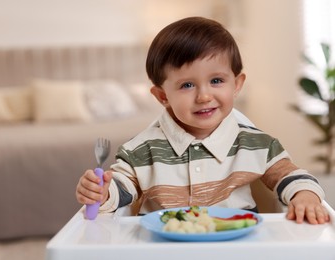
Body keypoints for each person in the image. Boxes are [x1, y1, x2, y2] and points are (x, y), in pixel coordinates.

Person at [76, 17, 329, 224]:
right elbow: (120, 189)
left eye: (217, 80)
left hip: (238, 244)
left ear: (236, 84)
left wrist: (304, 195)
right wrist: (101, 192)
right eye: (187, 85)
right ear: (163, 96)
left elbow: (290, 175)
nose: (204, 96)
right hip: (163, 247)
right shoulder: (141, 150)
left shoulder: (253, 142)